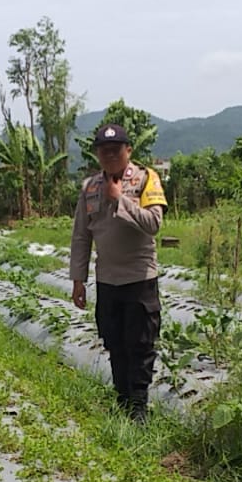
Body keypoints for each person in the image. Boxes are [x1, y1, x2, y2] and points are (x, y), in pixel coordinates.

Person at [70, 123, 168, 422]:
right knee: (114, 342)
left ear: (129, 151)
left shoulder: (146, 179)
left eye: (116, 150)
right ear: (97, 154)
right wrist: (78, 280)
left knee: (140, 345)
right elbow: (81, 236)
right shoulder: (90, 187)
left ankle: (138, 408)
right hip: (107, 280)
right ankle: (122, 400)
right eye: (104, 151)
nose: (110, 155)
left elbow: (154, 223)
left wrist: (120, 200)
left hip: (140, 277)